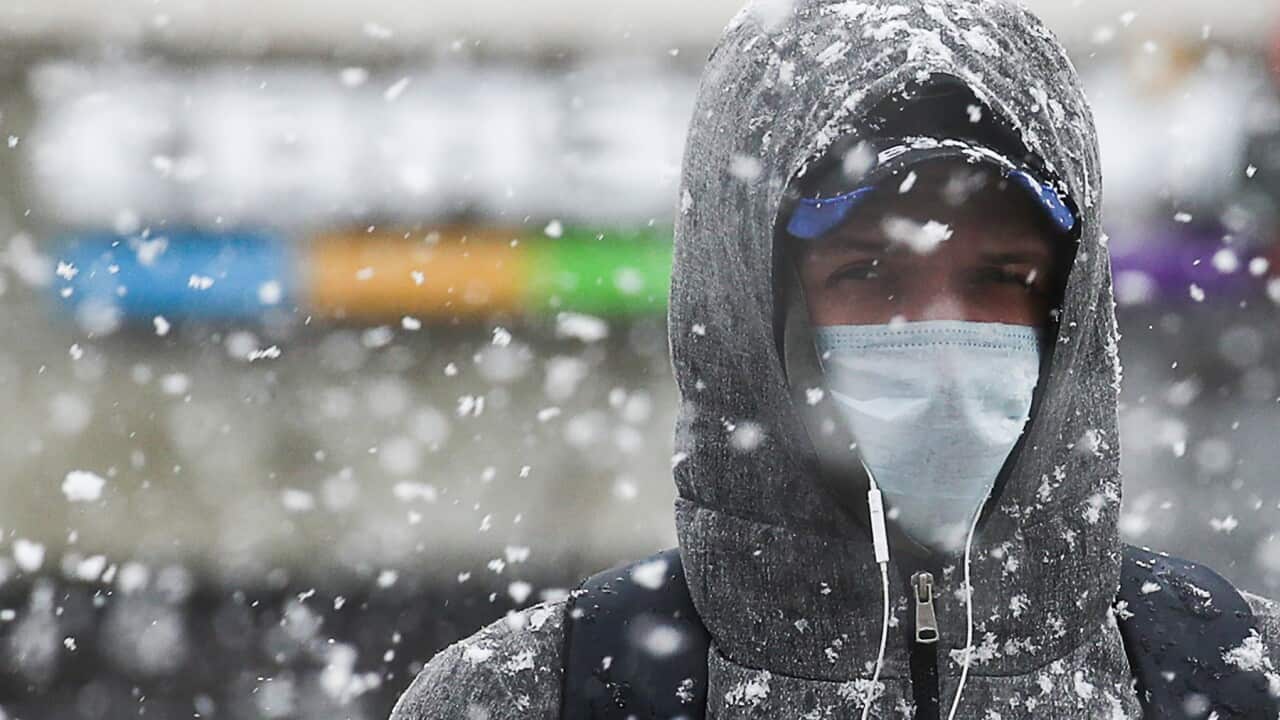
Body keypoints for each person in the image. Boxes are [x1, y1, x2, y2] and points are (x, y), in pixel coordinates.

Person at [391, 0, 1280, 718]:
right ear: (751, 304)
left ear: (1069, 308)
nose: (939, 337)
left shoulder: (1236, 677)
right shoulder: (537, 695)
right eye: (868, 272)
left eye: (1000, 276)